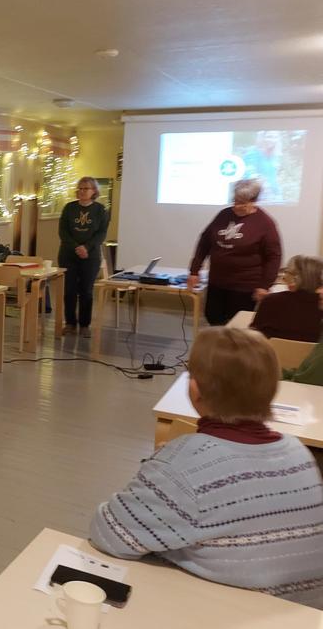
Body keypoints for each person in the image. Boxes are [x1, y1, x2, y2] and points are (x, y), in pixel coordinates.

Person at [90, 327, 323, 608]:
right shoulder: (300, 452)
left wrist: (160, 470)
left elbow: (109, 535)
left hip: (225, 612)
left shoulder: (182, 466)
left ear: (195, 389)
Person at [187, 178, 282, 326]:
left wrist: (265, 285)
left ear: (254, 201)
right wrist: (194, 270)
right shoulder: (223, 215)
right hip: (217, 281)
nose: (237, 206)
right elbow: (204, 242)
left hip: (245, 286)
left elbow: (274, 256)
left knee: (236, 325)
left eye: (242, 203)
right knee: (213, 318)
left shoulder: (265, 223)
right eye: (235, 201)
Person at [57, 176, 109, 337]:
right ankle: (70, 323)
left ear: (94, 191)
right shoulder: (69, 208)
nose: (82, 191)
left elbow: (101, 234)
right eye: (80, 188)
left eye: (86, 188)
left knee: (86, 291)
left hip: (90, 256)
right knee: (69, 290)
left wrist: (86, 247)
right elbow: (63, 231)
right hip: (68, 254)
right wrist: (76, 247)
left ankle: (85, 325)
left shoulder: (100, 210)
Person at [251, 255, 323, 342]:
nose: (284, 277)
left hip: (273, 350)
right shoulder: (320, 304)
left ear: (296, 278)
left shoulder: (271, 301)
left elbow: (254, 336)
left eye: (287, 272)